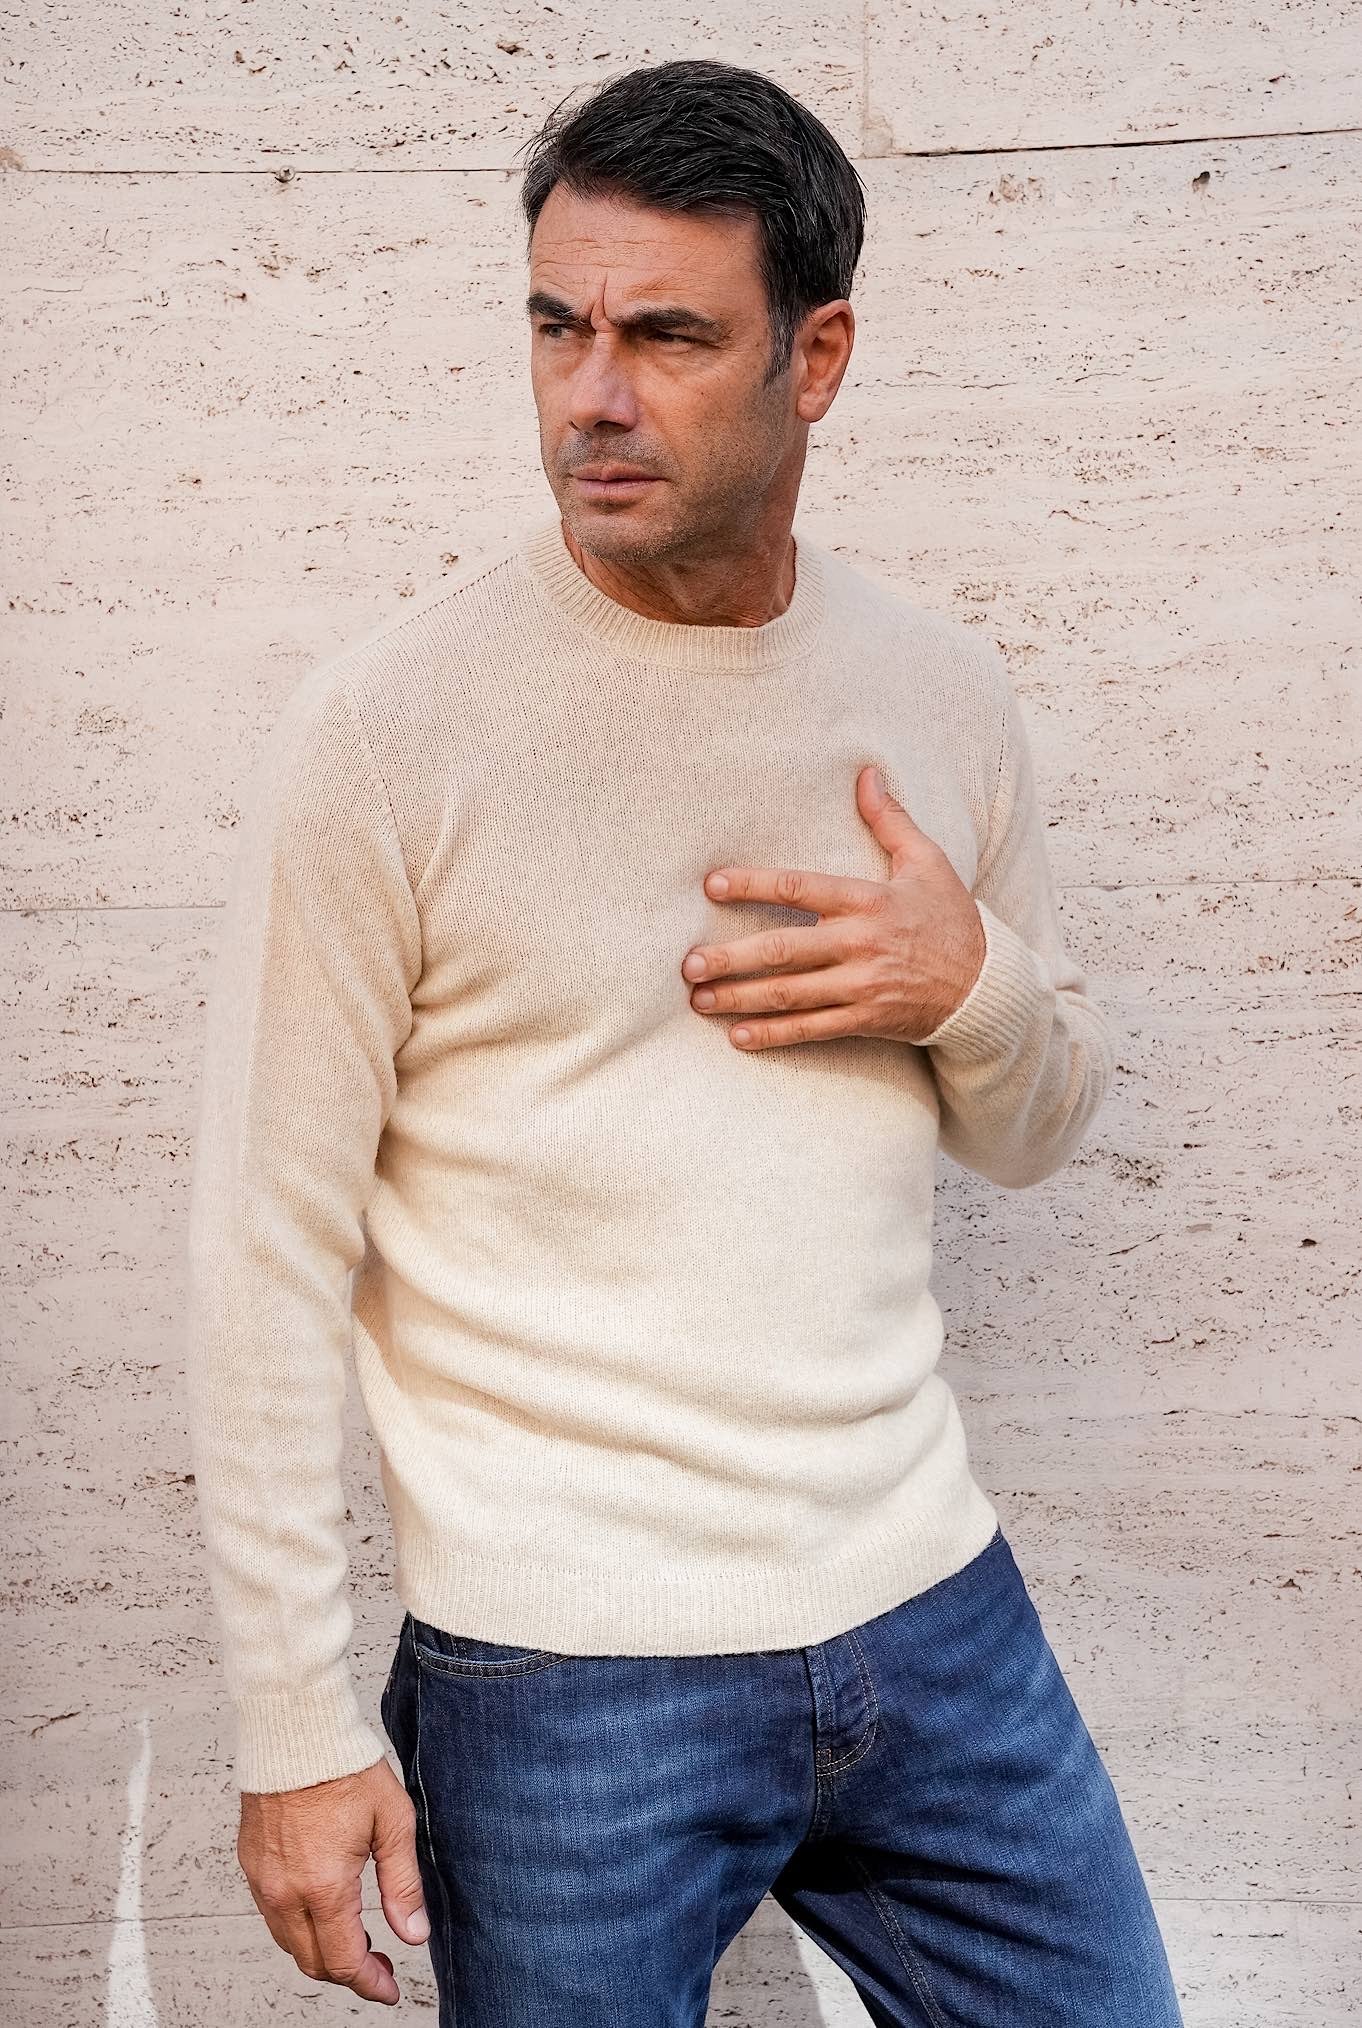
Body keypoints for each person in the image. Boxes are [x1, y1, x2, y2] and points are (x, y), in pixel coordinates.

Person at [183, 54, 1184, 2028]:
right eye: (556, 327)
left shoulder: (937, 691)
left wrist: (966, 982)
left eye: (665, 336)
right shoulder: (389, 730)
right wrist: (296, 1726)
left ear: (816, 358)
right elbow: (264, 1248)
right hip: (563, 1680)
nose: (592, 395)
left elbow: (1038, 1122)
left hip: (935, 1614)